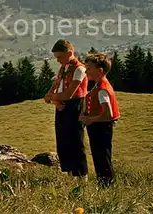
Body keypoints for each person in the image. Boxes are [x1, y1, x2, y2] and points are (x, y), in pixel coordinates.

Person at [44, 39, 89, 180]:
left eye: (60, 57)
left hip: (75, 105)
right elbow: (57, 83)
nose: (58, 61)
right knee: (63, 139)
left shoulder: (79, 69)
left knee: (75, 139)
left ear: (69, 53)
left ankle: (81, 173)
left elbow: (70, 93)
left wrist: (53, 97)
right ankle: (69, 171)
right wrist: (53, 97)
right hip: (62, 104)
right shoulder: (63, 68)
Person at [80, 53, 120, 187]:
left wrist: (91, 119)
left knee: (102, 156)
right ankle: (104, 183)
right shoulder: (99, 86)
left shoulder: (102, 89)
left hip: (101, 127)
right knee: (99, 155)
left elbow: (107, 114)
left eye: (89, 68)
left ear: (100, 70)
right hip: (99, 126)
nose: (86, 71)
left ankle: (107, 184)